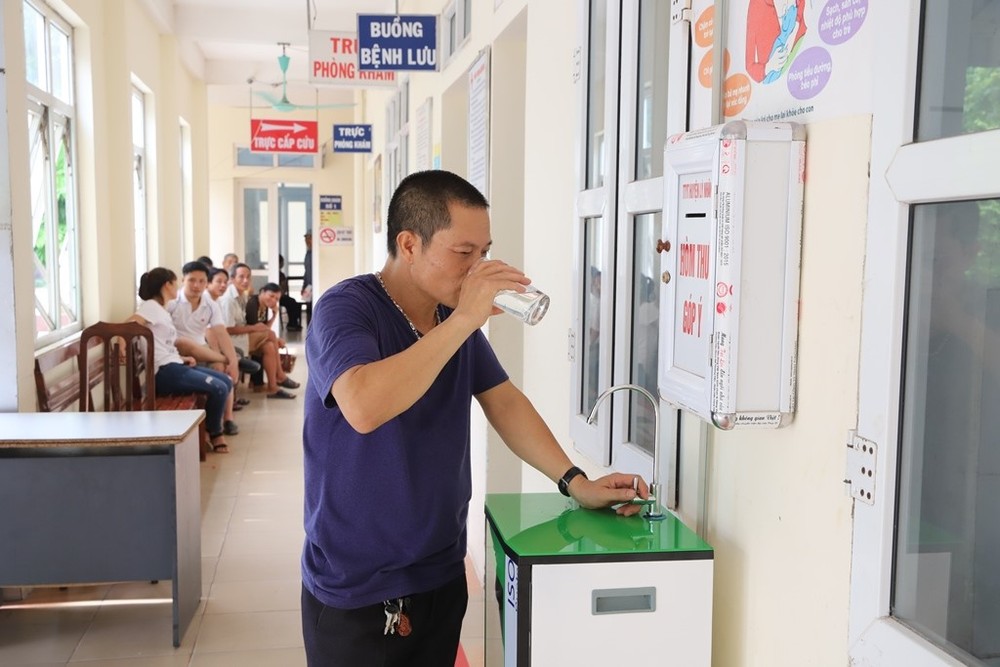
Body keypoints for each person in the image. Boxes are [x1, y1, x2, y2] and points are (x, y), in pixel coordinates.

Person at [300, 169, 649, 665]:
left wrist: (574, 480)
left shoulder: (449, 322)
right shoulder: (347, 309)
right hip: (359, 585)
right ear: (410, 244)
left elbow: (503, 401)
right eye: (464, 253)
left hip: (440, 569)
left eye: (484, 252)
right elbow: (362, 405)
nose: (478, 268)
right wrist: (466, 318)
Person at [127, 267, 234, 453]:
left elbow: (163, 344)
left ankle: (210, 430)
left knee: (225, 381)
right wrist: (121, 342)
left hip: (174, 364)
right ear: (167, 285)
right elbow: (131, 323)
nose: (176, 286)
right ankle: (215, 433)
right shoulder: (151, 306)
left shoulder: (161, 309)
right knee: (219, 387)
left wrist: (182, 357)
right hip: (164, 372)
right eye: (175, 282)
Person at [168, 260, 240, 436]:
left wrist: (233, 363)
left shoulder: (210, 305)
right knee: (187, 344)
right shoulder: (171, 303)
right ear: (183, 280)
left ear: (206, 283)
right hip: (176, 355)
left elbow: (221, 333)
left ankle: (227, 419)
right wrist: (228, 358)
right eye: (192, 280)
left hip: (202, 352)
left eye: (201, 281)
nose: (196, 285)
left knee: (225, 374)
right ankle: (213, 431)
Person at [221, 266, 298, 399]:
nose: (245, 280)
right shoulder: (232, 300)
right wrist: (254, 328)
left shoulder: (241, 297)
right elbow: (227, 329)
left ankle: (273, 387)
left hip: (242, 336)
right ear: (232, 279)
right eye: (241, 277)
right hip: (230, 340)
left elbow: (259, 327)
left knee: (268, 346)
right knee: (271, 335)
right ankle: (280, 375)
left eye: (248, 277)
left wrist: (273, 317)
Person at [278, 254, 303, 331]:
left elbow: (284, 288)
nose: (282, 264)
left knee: (294, 302)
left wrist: (281, 292)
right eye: (281, 262)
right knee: (291, 302)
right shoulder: (273, 274)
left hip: (280, 296)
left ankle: (294, 323)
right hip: (276, 297)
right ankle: (292, 324)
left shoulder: (281, 275)